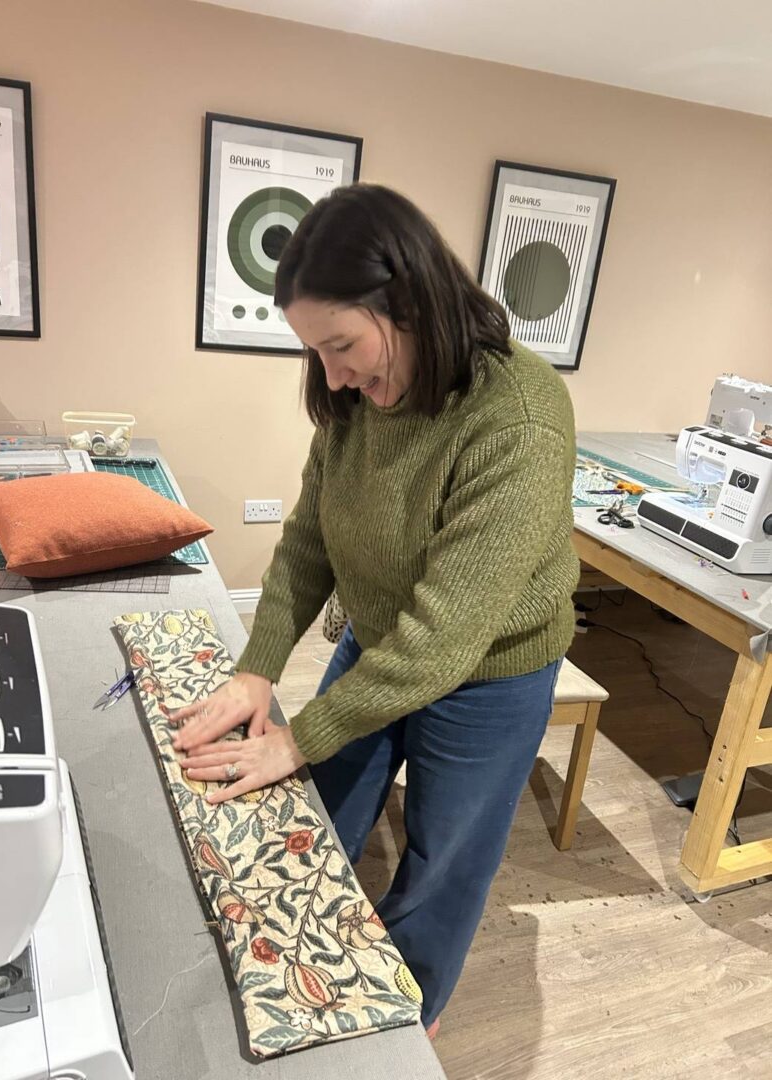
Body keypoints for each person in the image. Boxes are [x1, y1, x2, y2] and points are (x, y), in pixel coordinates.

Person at [171, 183, 580, 1036]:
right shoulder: (355, 402)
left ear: (410, 301)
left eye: (343, 345)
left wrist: (300, 730)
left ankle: (403, 1024)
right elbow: (307, 545)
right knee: (317, 809)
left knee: (442, 863)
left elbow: (444, 639)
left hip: (488, 678)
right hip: (381, 640)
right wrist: (257, 670)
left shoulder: (519, 414)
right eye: (315, 352)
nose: (334, 374)